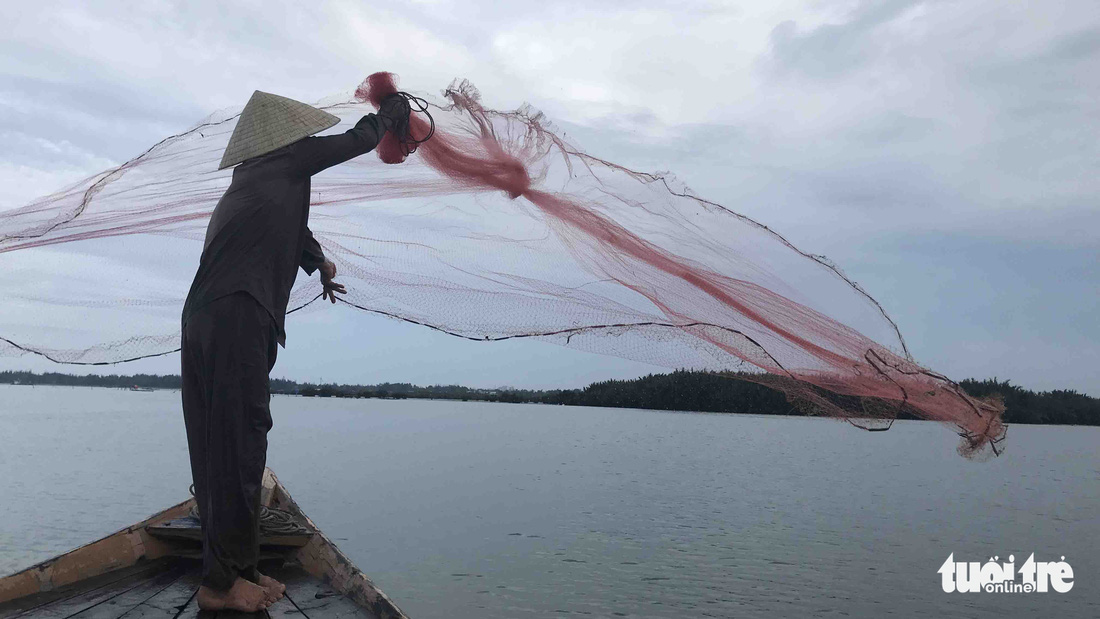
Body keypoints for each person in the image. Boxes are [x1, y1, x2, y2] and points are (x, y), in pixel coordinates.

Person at [180, 90, 411, 612]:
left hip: (215, 317)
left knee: (232, 444)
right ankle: (219, 586)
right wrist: (386, 119)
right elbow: (354, 141)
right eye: (301, 136)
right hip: (235, 315)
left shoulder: (255, 181)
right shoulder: (283, 161)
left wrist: (320, 264)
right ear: (285, 139)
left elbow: (294, 230)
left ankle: (238, 569)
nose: (307, 142)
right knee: (237, 445)